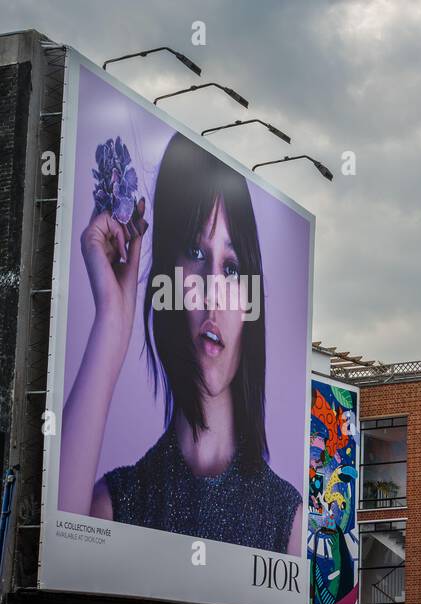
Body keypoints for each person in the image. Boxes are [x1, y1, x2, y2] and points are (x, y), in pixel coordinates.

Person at [65, 132, 302, 552]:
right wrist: (112, 325)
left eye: (231, 268)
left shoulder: (289, 522)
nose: (211, 290)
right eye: (194, 251)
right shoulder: (115, 506)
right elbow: (53, 550)